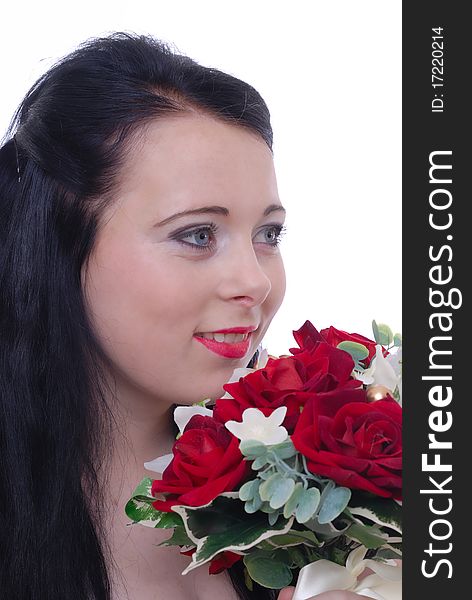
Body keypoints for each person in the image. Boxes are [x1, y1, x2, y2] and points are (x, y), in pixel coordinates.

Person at [0, 32, 369, 599]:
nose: (255, 281)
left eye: (269, 233)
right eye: (197, 234)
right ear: (62, 246)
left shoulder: (328, 496)